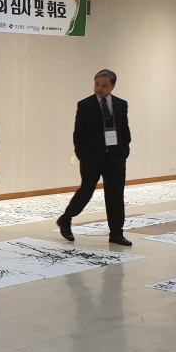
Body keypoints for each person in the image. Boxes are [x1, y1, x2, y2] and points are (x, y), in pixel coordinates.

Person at [56, 70, 132, 245]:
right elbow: (79, 133)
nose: (99, 88)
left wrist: (124, 152)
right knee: (86, 190)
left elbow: (124, 130)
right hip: (92, 158)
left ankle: (116, 233)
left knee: (115, 195)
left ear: (112, 86)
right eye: (97, 84)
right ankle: (66, 218)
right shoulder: (85, 105)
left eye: (104, 85)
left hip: (115, 157)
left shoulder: (121, 104)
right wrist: (82, 155)